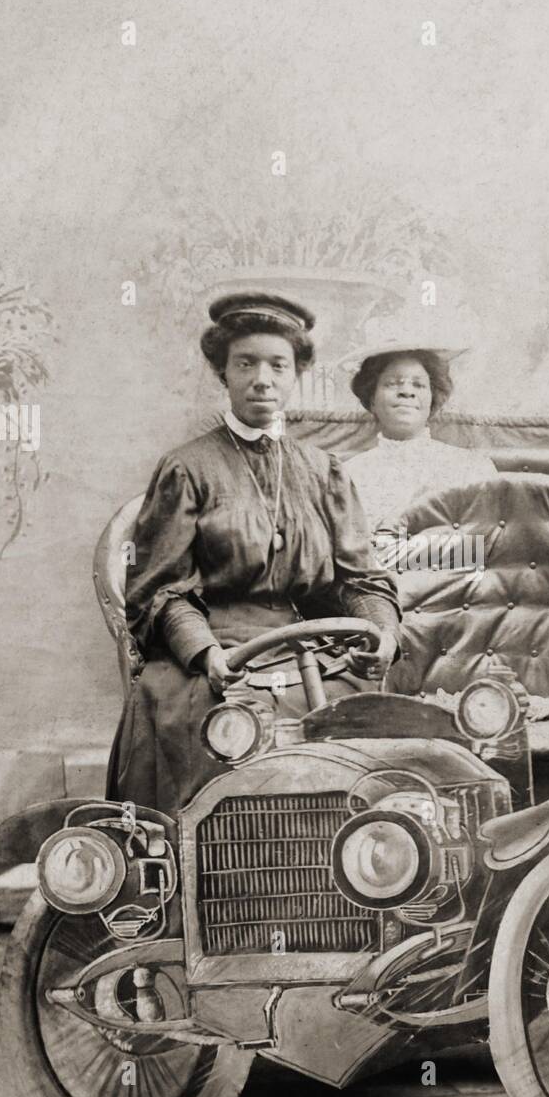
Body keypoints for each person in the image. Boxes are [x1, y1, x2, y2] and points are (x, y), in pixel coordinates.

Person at [108, 288, 400, 816]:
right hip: (215, 651)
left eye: (277, 365)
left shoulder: (324, 470)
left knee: (371, 715)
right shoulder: (187, 468)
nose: (262, 378)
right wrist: (204, 651)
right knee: (190, 712)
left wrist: (381, 634)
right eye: (245, 363)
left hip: (311, 644)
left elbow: (362, 580)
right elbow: (158, 590)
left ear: (295, 376)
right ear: (223, 372)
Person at [342, 339, 497, 530]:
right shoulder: (348, 475)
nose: (407, 392)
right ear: (372, 399)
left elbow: (480, 548)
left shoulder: (472, 469)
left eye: (418, 385)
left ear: (432, 400)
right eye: (392, 384)